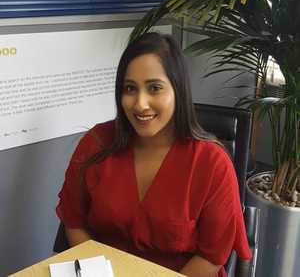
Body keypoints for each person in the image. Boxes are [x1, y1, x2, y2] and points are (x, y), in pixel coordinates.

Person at [56, 32, 252, 277]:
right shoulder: (95, 144)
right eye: (130, 88)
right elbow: (74, 222)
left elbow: (212, 256)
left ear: (177, 91)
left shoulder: (212, 163)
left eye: (154, 88)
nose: (140, 104)